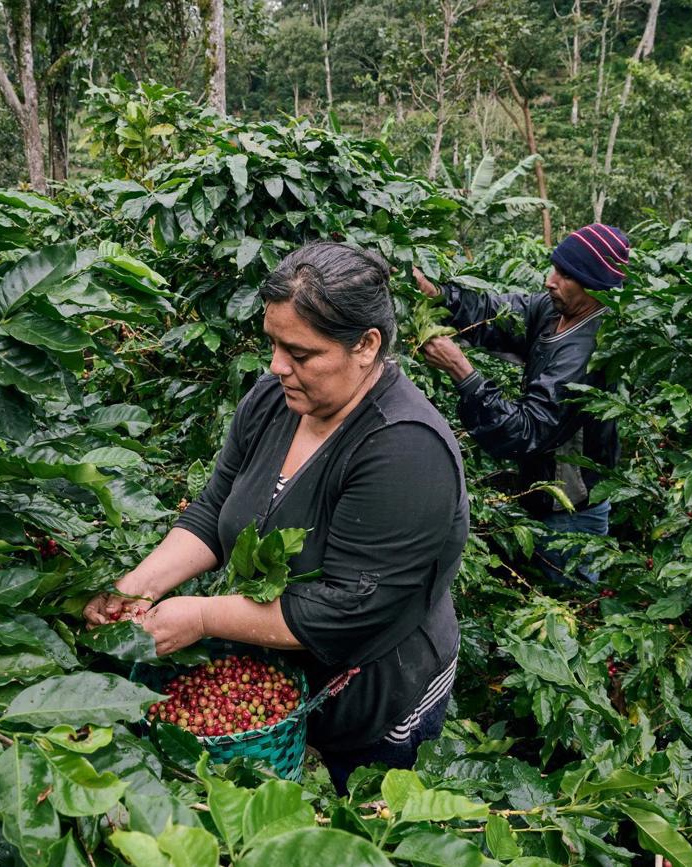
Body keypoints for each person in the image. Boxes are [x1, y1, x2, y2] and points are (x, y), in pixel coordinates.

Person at [84, 242, 469, 793]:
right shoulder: (273, 401)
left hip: (378, 695)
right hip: (283, 675)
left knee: (360, 825)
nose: (277, 366)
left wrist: (199, 616)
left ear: (366, 345)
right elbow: (215, 508)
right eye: (273, 344)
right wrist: (135, 586)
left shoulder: (405, 451)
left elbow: (347, 609)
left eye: (301, 353)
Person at [412, 223, 628, 584]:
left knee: (567, 607)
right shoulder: (555, 310)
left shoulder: (587, 353)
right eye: (555, 268)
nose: (549, 281)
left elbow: (526, 431)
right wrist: (438, 294)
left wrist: (462, 371)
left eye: (566, 275)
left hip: (569, 510)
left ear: (595, 288)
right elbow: (496, 312)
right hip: (538, 492)